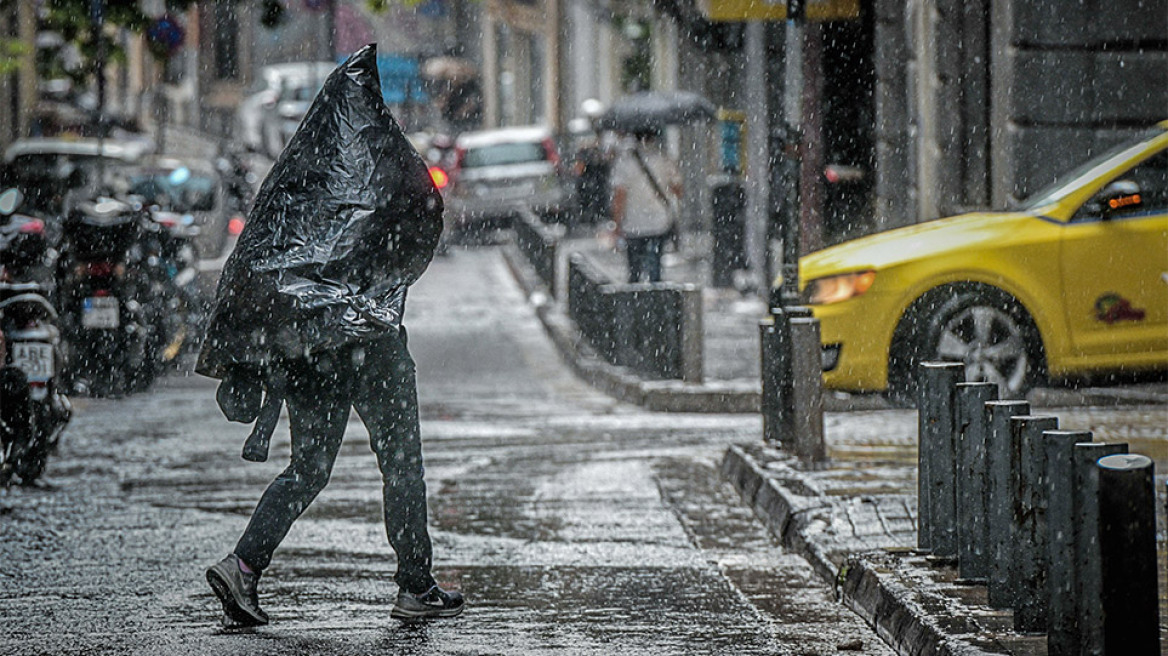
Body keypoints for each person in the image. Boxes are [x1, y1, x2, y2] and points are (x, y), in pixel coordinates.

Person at [198, 45, 463, 627]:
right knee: (400, 460)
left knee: (309, 467)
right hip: (369, 341)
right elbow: (419, 213)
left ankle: (243, 564)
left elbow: (258, 262)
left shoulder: (297, 176)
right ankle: (415, 585)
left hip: (309, 349)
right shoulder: (378, 160)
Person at [610, 127, 683, 283]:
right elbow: (678, 190)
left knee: (634, 273)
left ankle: (636, 301)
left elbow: (619, 196)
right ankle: (655, 300)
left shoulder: (624, 161)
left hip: (633, 224)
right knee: (655, 269)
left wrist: (617, 224)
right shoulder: (663, 158)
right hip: (659, 222)